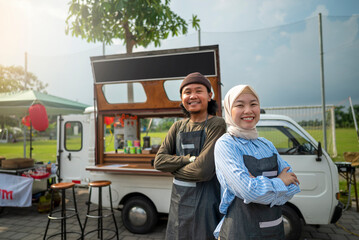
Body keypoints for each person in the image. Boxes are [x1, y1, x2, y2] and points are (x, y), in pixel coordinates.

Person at [213, 85, 301, 240]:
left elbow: (294, 186)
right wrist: (280, 182)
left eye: (253, 104)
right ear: (228, 109)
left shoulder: (267, 145)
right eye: (240, 105)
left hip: (274, 230)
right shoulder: (226, 144)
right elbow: (248, 191)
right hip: (240, 231)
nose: (248, 110)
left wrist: (257, 188)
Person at [154, 72, 227, 240]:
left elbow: (202, 171)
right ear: (182, 98)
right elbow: (159, 162)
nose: (192, 96)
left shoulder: (217, 125)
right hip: (179, 203)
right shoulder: (178, 126)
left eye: (198, 91)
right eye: (187, 92)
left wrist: (173, 169)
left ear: (209, 96)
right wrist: (187, 160)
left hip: (206, 203)